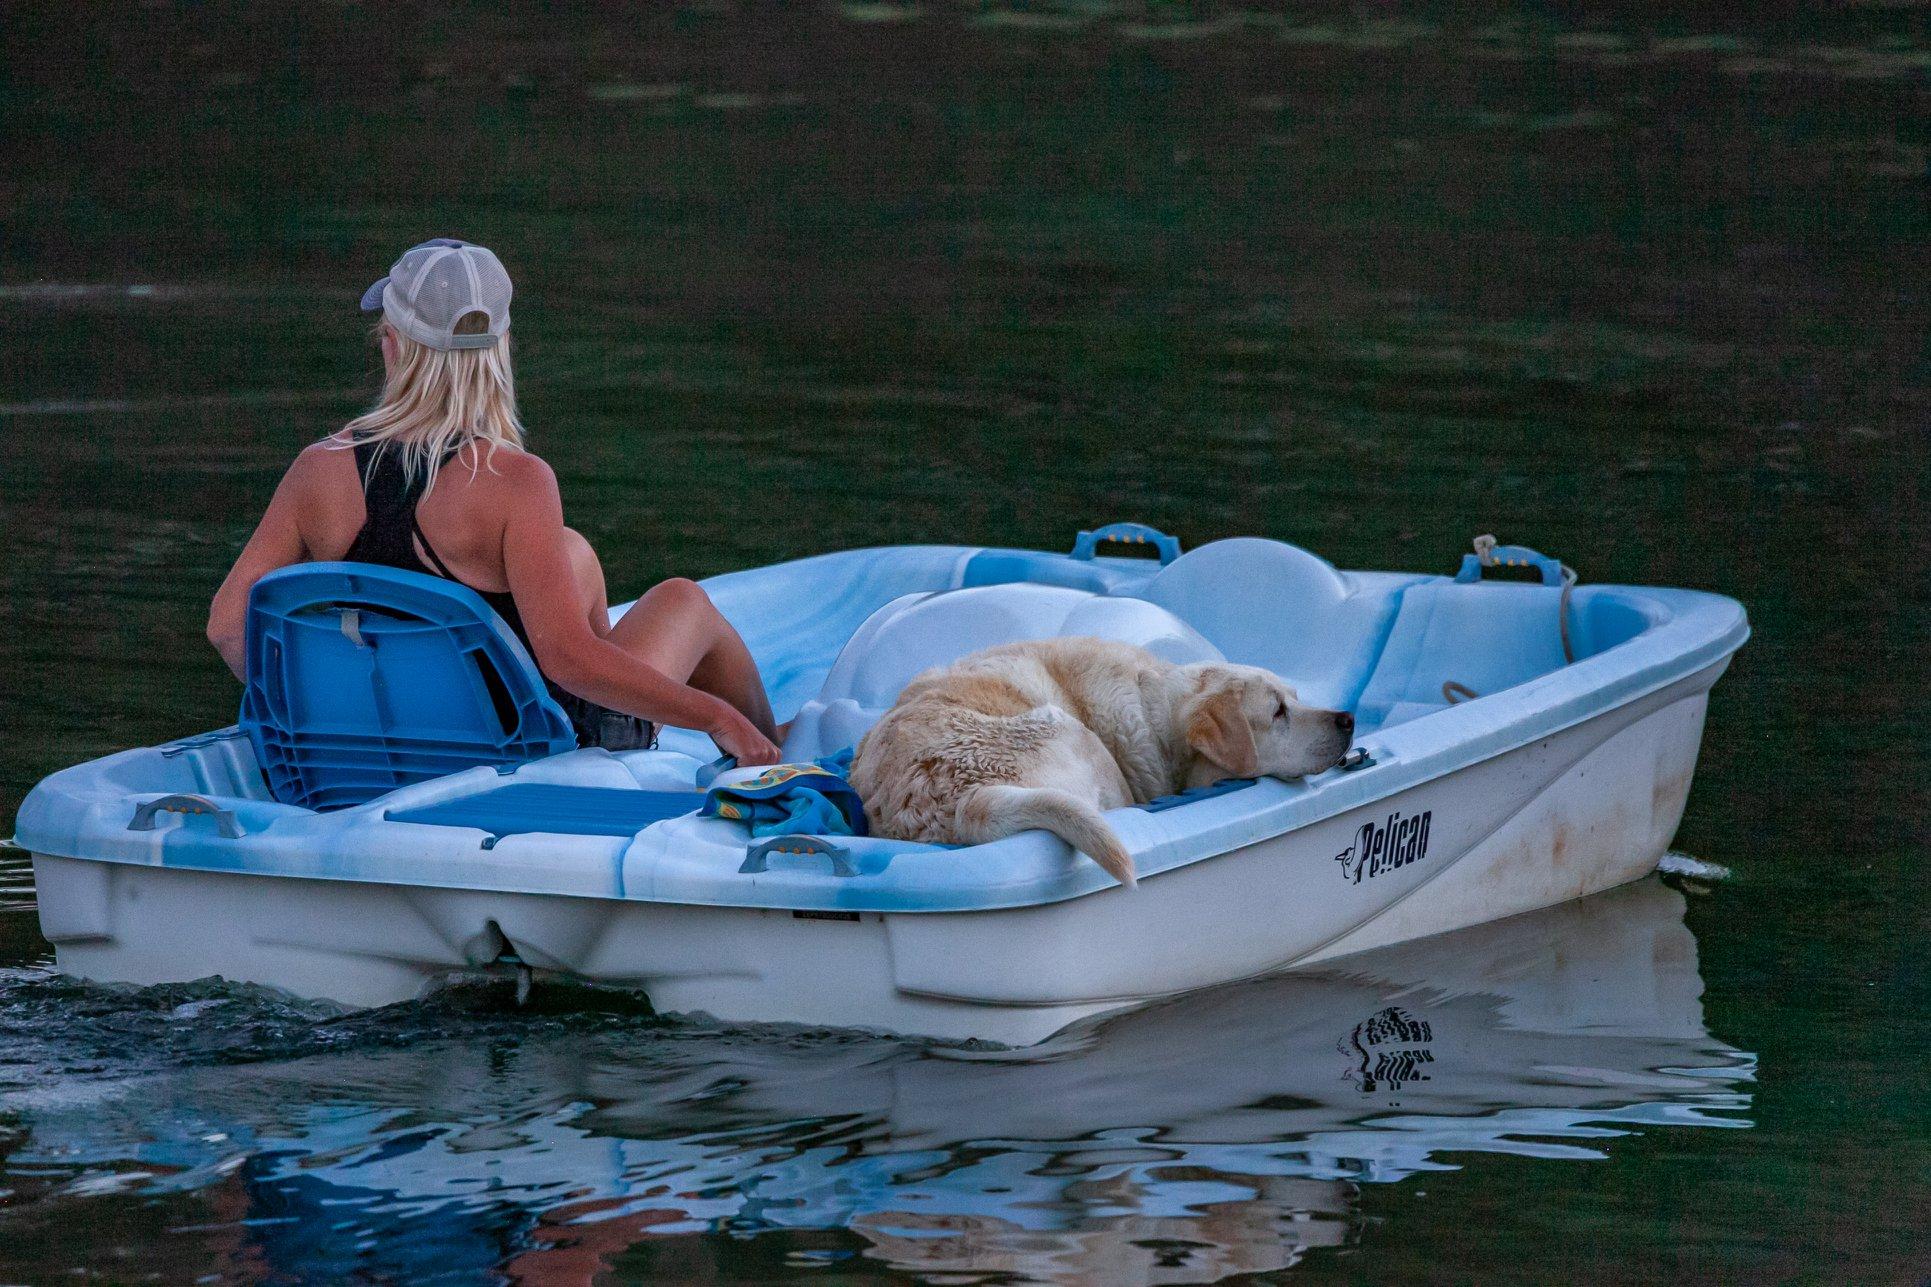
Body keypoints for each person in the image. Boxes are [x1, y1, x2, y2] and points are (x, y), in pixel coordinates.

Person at [207, 238, 783, 765]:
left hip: (367, 746)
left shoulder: (318, 470)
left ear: (393, 347)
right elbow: (567, 660)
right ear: (500, 350)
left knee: (573, 554)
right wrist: (714, 716)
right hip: (529, 747)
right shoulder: (517, 481)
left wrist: (321, 720)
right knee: (685, 601)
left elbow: (229, 627)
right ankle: (769, 748)